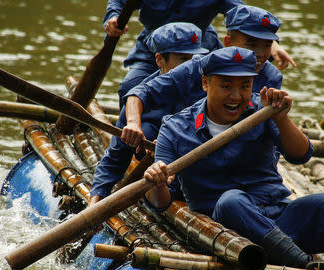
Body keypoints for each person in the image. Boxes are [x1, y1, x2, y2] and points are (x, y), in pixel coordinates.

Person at [143, 46, 324, 269]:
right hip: (230, 234)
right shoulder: (174, 128)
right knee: (231, 201)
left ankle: (286, 251)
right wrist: (155, 180)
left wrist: (281, 118)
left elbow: (300, 156)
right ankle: (303, 265)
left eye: (244, 86)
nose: (236, 96)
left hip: (281, 221)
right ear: (205, 83)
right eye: (226, 86)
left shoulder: (263, 109)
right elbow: (160, 202)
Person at [121, 5, 284, 149]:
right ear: (228, 43)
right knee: (129, 89)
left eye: (267, 45)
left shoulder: (272, 77)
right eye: (252, 44)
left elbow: (268, 129)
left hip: (240, 148)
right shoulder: (201, 65)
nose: (260, 54)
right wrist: (136, 125)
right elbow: (141, 92)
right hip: (193, 142)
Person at [90, 22, 210, 205]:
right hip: (161, 186)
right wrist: (95, 201)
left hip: (202, 178)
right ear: (160, 60)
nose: (192, 67)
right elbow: (114, 160)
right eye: (184, 59)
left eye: (196, 59)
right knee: (145, 129)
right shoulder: (137, 99)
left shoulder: (209, 88)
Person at [103, 0, 296, 108]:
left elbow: (242, 14)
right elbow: (118, 2)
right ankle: (130, 143)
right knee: (129, 87)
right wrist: (113, 18)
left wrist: (272, 46)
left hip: (200, 48)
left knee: (203, 93)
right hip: (155, 47)